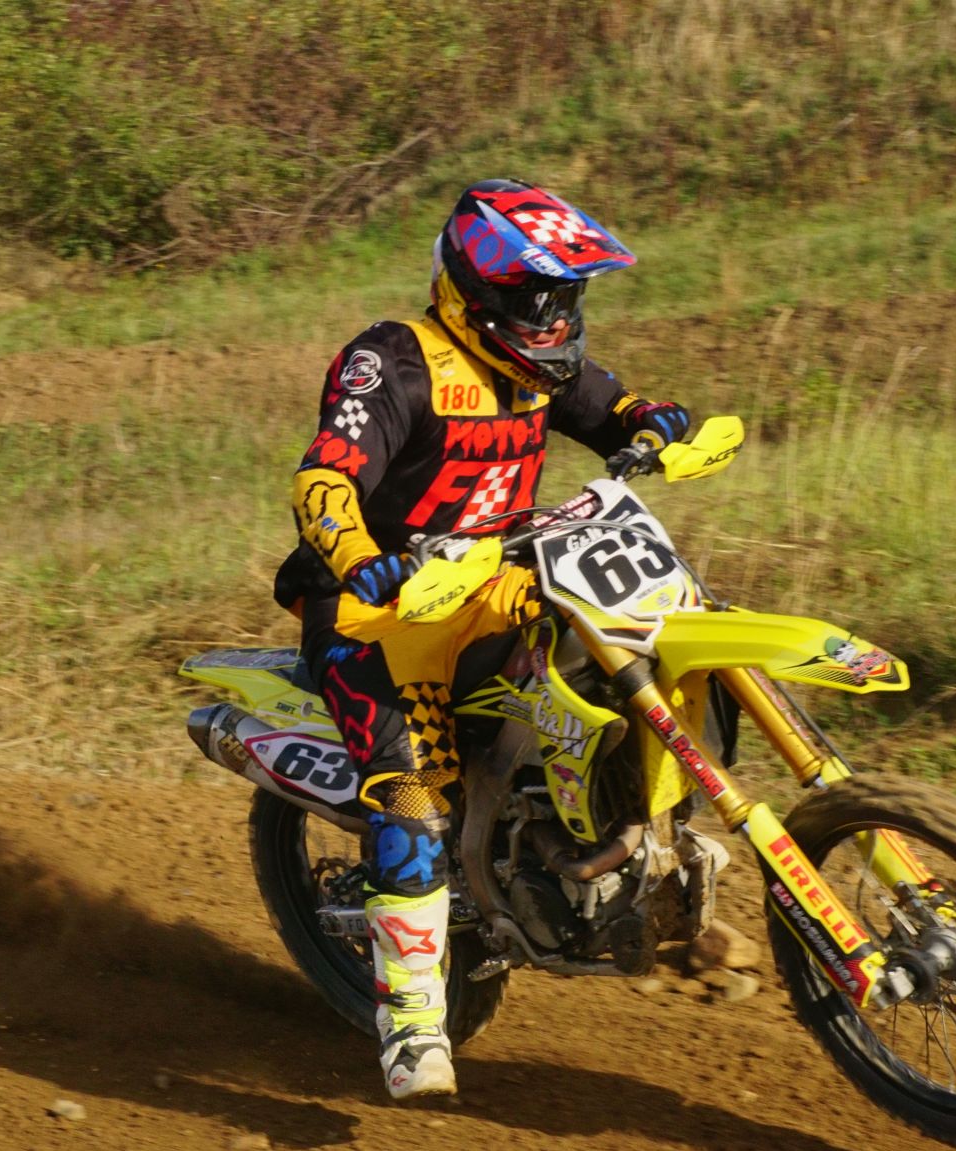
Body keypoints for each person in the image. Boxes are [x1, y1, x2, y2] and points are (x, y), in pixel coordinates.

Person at [271, 179, 698, 1099]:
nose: (553, 320)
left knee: (635, 646)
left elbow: (611, 407)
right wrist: (359, 558)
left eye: (565, 298)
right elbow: (325, 479)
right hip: (379, 613)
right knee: (414, 794)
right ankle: (412, 1022)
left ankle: (618, 842)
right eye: (534, 300)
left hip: (495, 585)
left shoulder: (539, 365)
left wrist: (651, 423)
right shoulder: (393, 362)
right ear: (474, 293)